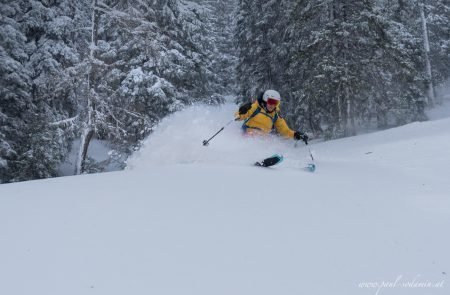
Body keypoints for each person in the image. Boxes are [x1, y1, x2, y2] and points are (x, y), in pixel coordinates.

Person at [235, 89, 309, 144]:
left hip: (262, 137)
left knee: (269, 141)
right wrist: (242, 111)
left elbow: (285, 131)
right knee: (253, 137)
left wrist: (296, 135)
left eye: (275, 103)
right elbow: (237, 117)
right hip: (248, 133)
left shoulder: (275, 115)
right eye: (270, 102)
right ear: (265, 100)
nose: (272, 105)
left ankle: (265, 157)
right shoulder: (255, 107)